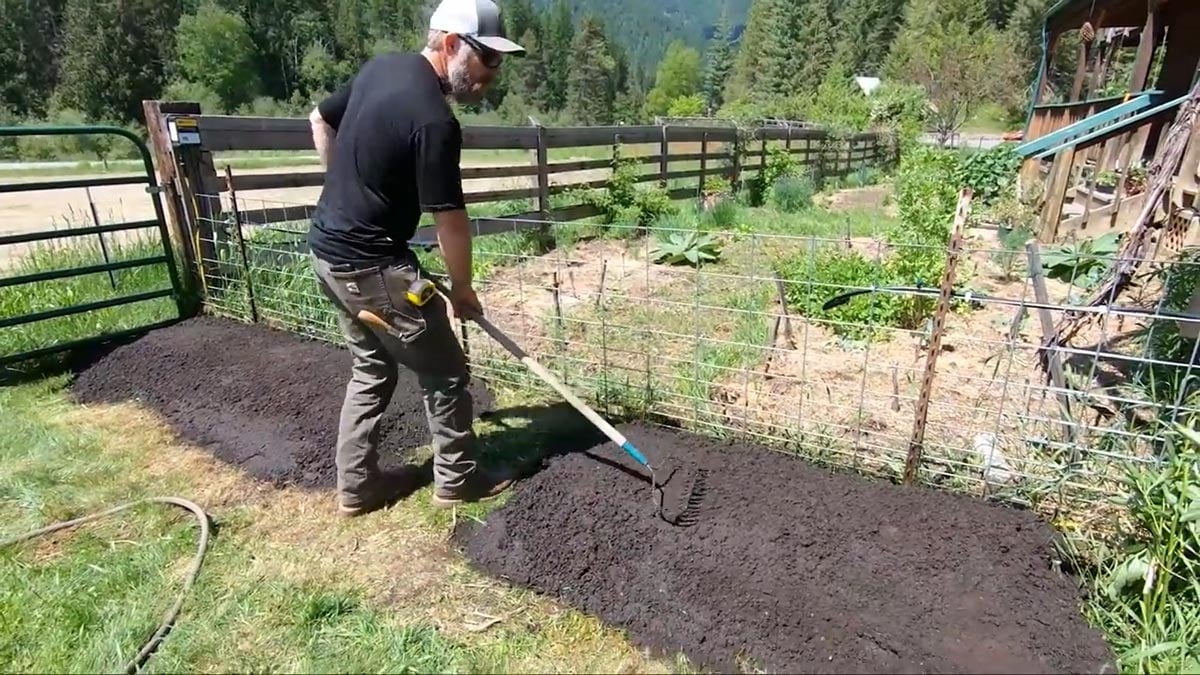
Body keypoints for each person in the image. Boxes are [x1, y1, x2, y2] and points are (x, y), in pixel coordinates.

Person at [306, 0, 525, 517]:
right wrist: (463, 290)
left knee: (372, 365)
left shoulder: (384, 67)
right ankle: (459, 479)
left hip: (328, 254)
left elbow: (319, 118)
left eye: (499, 62)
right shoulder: (435, 120)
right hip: (372, 265)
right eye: (487, 59)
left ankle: (357, 488)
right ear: (451, 44)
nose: (493, 75)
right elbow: (450, 217)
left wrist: (344, 188)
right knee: (446, 368)